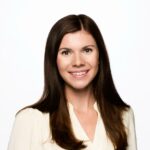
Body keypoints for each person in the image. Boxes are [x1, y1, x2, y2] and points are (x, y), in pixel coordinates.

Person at [8, 14, 137, 150]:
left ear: (100, 55)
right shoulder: (29, 121)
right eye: (66, 52)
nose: (78, 62)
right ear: (53, 60)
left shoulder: (123, 115)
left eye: (87, 50)